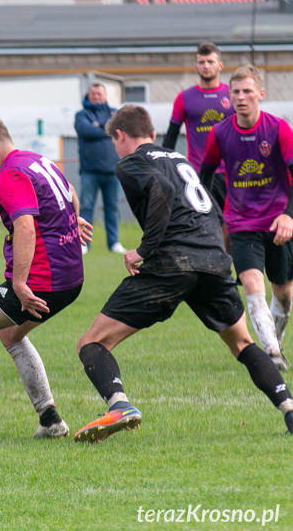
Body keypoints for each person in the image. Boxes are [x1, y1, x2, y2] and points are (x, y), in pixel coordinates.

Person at [73, 105, 293, 443]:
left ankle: (119, 404)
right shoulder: (180, 161)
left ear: (120, 136)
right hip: (213, 259)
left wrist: (144, 250)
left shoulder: (131, 162)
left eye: (114, 142)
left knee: (91, 341)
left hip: (172, 263)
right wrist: (219, 257)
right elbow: (212, 211)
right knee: (242, 343)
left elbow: (161, 191)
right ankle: (288, 407)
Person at [0, 114, 92, 441]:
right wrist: (74, 219)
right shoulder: (37, 161)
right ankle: (50, 419)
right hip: (71, 277)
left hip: (42, 280)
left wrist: (20, 283)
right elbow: (68, 191)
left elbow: (25, 225)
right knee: (11, 335)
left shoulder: (9, 174)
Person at [200, 65, 293, 373]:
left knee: (284, 292)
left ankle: (275, 341)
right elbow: (205, 175)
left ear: (260, 95)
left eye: (247, 91)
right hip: (241, 223)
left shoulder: (278, 129)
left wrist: (288, 216)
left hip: (278, 221)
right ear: (229, 96)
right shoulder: (220, 133)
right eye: (236, 92)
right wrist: (210, 212)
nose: (241, 97)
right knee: (253, 282)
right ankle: (271, 352)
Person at [163, 41, 234, 214]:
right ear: (196, 65)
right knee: (204, 223)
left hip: (231, 173)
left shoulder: (233, 95)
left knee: (233, 225)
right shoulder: (184, 98)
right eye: (202, 62)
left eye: (210, 62)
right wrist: (164, 168)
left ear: (220, 65)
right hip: (198, 174)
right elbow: (171, 136)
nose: (206, 66)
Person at [74, 82, 125, 255]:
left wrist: (98, 126)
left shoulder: (114, 112)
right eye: (93, 94)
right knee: (86, 208)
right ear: (89, 96)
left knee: (112, 208)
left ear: (105, 96)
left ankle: (114, 243)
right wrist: (106, 128)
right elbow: (85, 131)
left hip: (112, 171)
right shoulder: (81, 114)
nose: (96, 96)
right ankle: (83, 244)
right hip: (90, 171)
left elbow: (119, 129)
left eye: (99, 94)